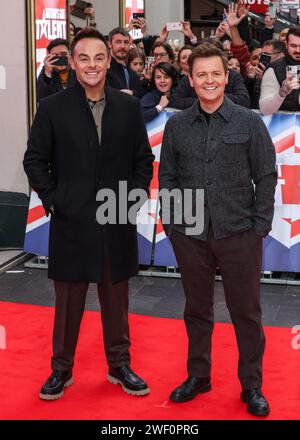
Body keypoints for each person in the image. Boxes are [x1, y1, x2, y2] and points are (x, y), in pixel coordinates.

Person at [23, 28, 154, 401]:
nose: (92, 65)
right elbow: (34, 160)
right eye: (84, 58)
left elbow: (142, 160)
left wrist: (132, 198)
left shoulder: (128, 107)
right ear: (74, 64)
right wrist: (56, 199)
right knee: (68, 303)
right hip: (71, 221)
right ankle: (61, 369)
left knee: (116, 300)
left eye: (99, 57)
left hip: (116, 219)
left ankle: (119, 364)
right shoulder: (53, 108)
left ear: (109, 60)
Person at [159, 44, 277, 416]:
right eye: (201, 75)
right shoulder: (177, 125)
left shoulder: (249, 122)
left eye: (215, 74)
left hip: (240, 232)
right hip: (190, 236)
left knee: (246, 312)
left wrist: (260, 225)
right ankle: (199, 376)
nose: (209, 81)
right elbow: (168, 179)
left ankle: (252, 385)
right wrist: (174, 225)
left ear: (226, 77)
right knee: (196, 310)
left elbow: (266, 175)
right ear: (190, 80)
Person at [260, 27, 300, 114]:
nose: (298, 50)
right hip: (282, 125)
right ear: (286, 45)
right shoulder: (274, 69)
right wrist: (281, 93)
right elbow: (264, 109)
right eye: (293, 46)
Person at [106, 27, 142, 97]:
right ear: (110, 44)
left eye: (126, 42)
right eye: (118, 42)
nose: (122, 46)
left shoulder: (133, 73)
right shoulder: (105, 69)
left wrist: (132, 93)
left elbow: (139, 95)